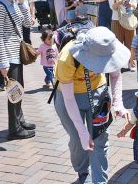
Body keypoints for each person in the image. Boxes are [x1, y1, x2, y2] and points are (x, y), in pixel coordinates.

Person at [54, 26, 130, 183]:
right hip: (69, 96)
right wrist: (82, 132)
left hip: (98, 93)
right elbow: (69, 99)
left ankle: (100, 181)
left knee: (100, 139)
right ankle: (83, 173)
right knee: (77, 139)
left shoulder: (108, 46)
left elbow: (115, 75)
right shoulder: (67, 58)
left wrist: (118, 103)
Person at [0, 0, 36, 140]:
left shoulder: (14, 3)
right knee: (13, 90)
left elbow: (26, 23)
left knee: (19, 88)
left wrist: (23, 3)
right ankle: (14, 128)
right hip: (8, 56)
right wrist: (2, 62)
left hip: (16, 53)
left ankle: (20, 120)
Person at [108, 0, 138, 67]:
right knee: (117, 43)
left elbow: (135, 5)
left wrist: (130, 4)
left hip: (129, 19)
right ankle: (118, 65)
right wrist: (119, 3)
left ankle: (131, 63)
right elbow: (111, 7)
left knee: (130, 42)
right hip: (116, 20)